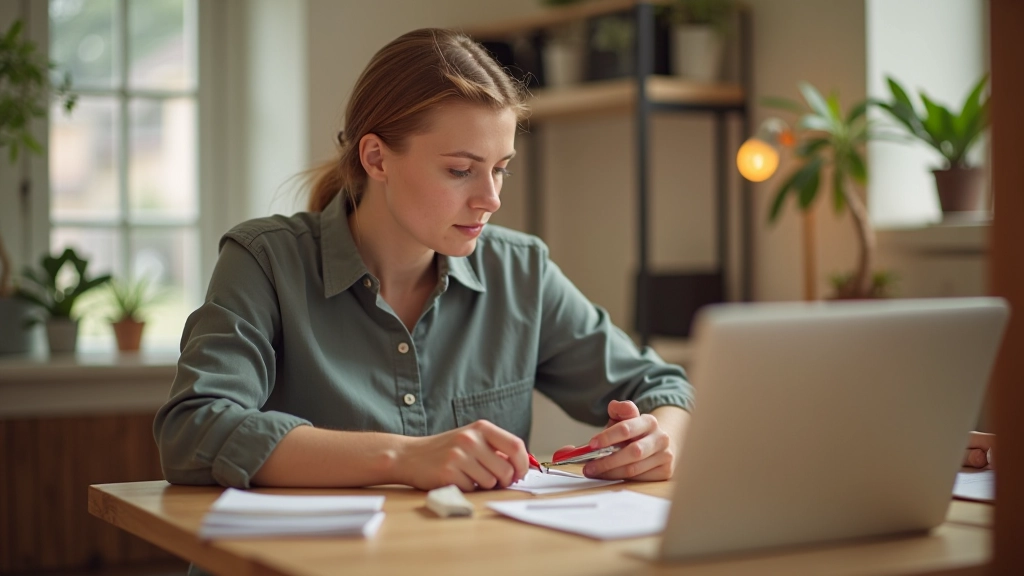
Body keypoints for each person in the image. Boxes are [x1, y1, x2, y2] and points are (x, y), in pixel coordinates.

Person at [153, 28, 694, 493]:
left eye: (500, 168)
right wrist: (406, 458)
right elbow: (194, 430)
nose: (491, 198)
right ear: (376, 158)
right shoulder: (264, 262)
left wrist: (656, 437)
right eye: (461, 170)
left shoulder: (521, 272)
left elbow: (664, 389)